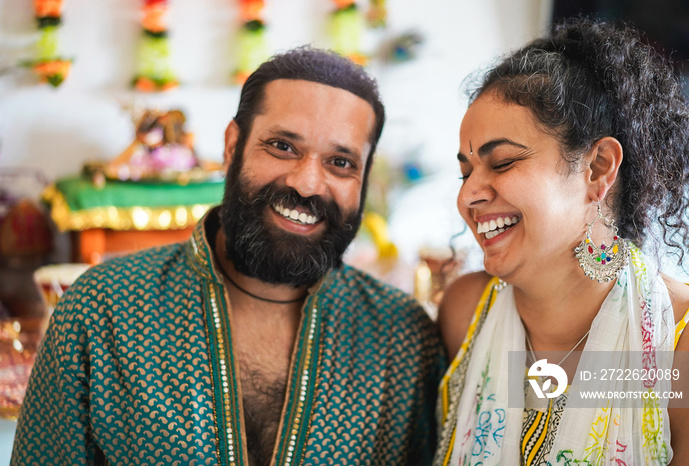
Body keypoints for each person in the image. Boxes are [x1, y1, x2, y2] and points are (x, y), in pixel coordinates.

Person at [12, 47, 444, 466]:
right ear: (232, 145)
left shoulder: (402, 340)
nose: (308, 183)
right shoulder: (103, 309)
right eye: (282, 146)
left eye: (340, 162)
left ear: (365, 176)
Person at [433, 18, 689, 466]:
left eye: (501, 163)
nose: (467, 195)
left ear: (597, 168)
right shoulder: (464, 311)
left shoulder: (687, 345)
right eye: (466, 171)